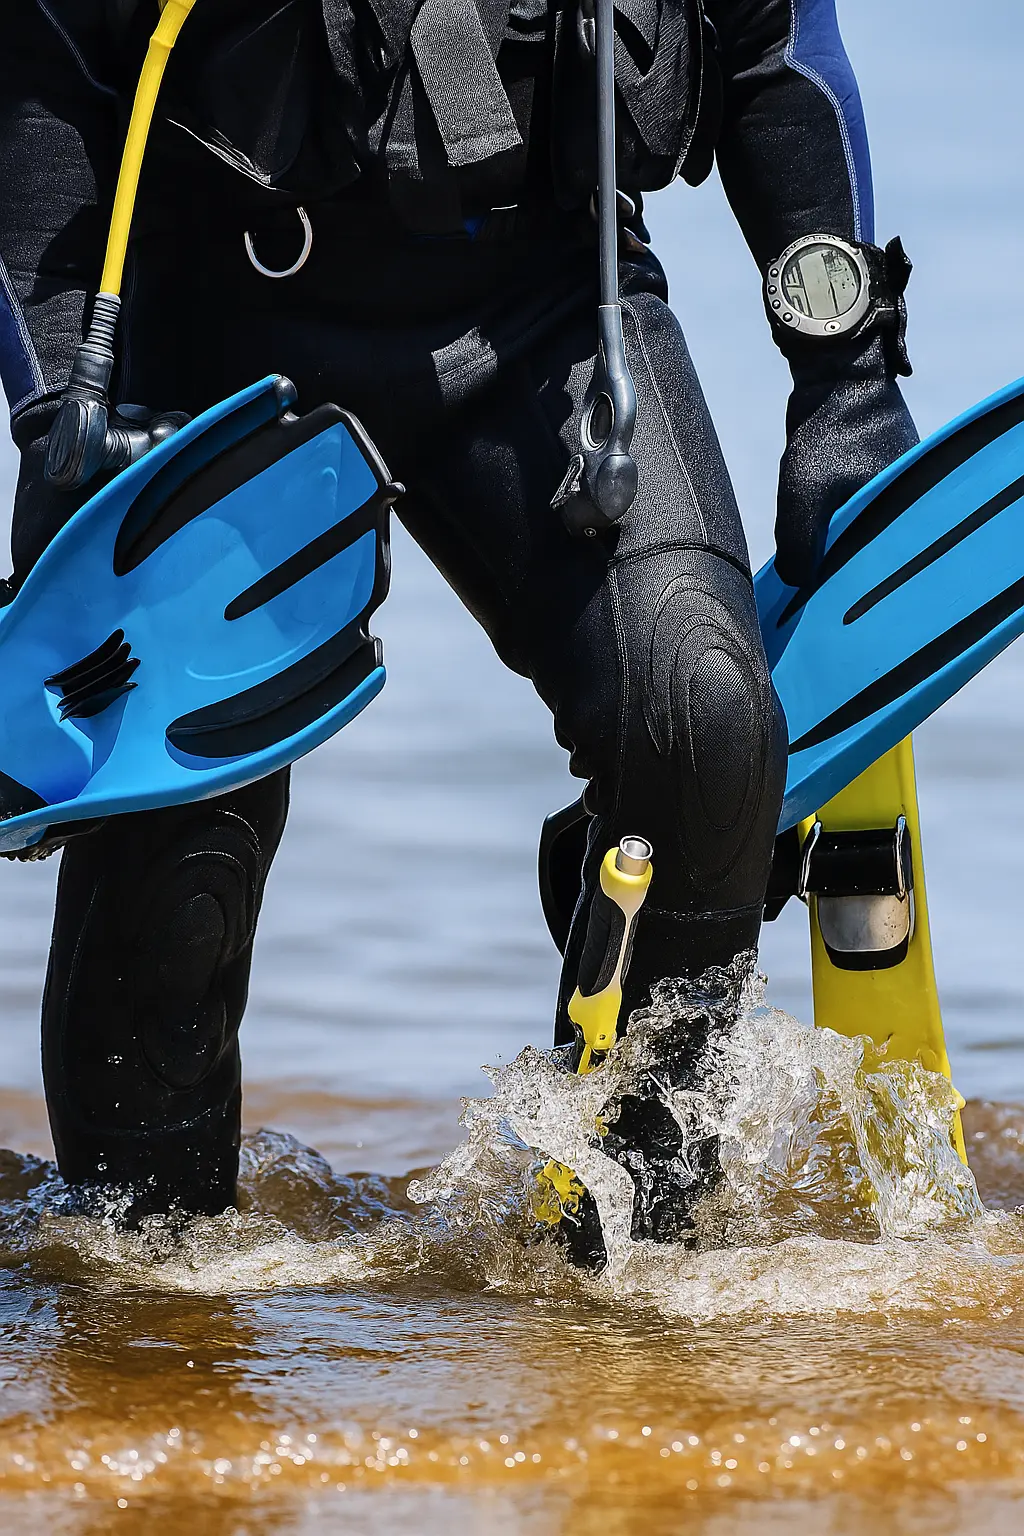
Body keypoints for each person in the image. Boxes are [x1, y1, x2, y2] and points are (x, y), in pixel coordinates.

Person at [0, 0, 914, 1238]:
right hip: (206, 322)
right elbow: (39, 59)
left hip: (546, 298)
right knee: (179, 833)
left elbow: (772, 44)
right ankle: (144, 1299)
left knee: (700, 719)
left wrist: (844, 374)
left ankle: (632, 1265)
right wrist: (57, 406)